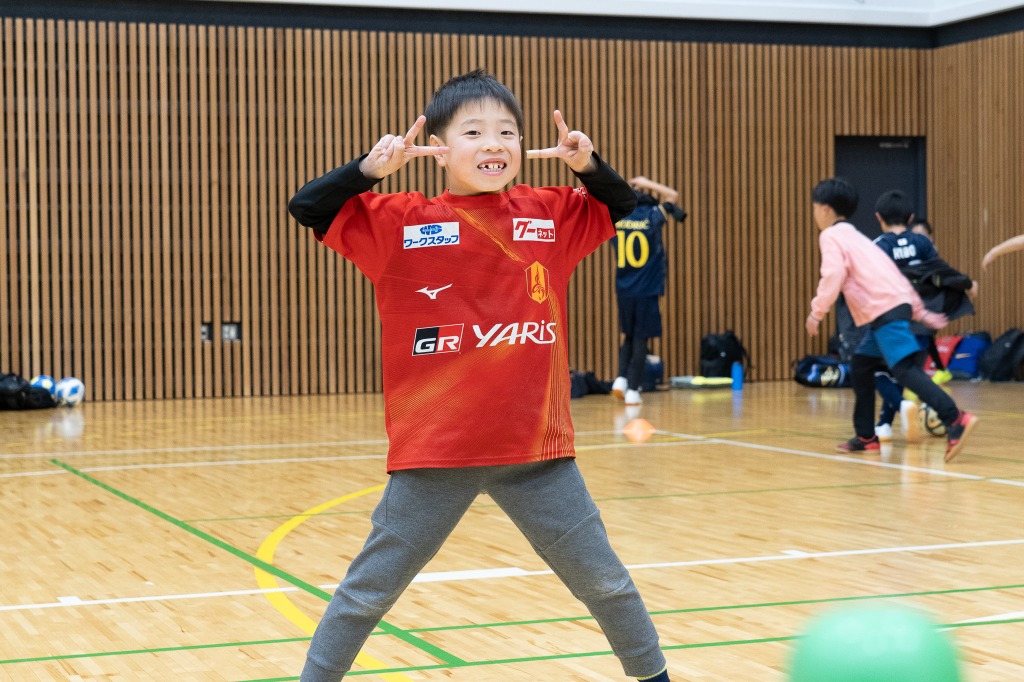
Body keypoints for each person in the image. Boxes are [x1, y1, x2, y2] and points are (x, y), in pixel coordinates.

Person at [287, 70, 670, 682]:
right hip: (435, 457)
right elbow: (307, 206)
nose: (494, 144)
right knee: (365, 596)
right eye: (473, 132)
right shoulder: (399, 222)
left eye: (507, 132)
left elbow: (623, 205)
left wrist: (589, 165)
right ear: (437, 147)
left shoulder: (550, 213)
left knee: (608, 586)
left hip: (539, 456)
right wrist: (367, 171)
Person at [804, 178, 978, 461]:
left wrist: (817, 311)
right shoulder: (858, 237)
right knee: (860, 365)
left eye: (814, 209)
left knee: (905, 371)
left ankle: (954, 418)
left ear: (824, 210)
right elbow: (894, 275)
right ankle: (866, 436)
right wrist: (920, 312)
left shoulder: (832, 237)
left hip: (885, 310)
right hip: (891, 307)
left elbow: (832, 275)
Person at [609, 176, 687, 405]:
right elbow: (672, 196)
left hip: (623, 289)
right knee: (642, 339)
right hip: (647, 290)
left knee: (629, 335)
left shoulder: (618, 218)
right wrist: (646, 182)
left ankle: (621, 379)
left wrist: (626, 187)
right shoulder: (652, 216)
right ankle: (633, 389)